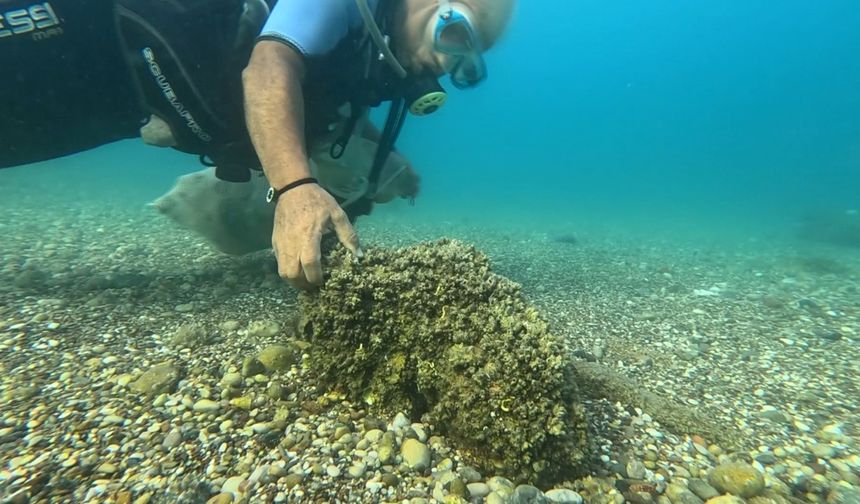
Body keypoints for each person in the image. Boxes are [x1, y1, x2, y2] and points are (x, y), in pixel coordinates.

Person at [0, 0, 515, 288]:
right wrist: (295, 189)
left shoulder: (370, 54)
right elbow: (271, 66)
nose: (448, 64)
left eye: (469, 63)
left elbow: (335, 109)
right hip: (90, 32)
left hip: (123, 100)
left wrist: (393, 163)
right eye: (456, 32)